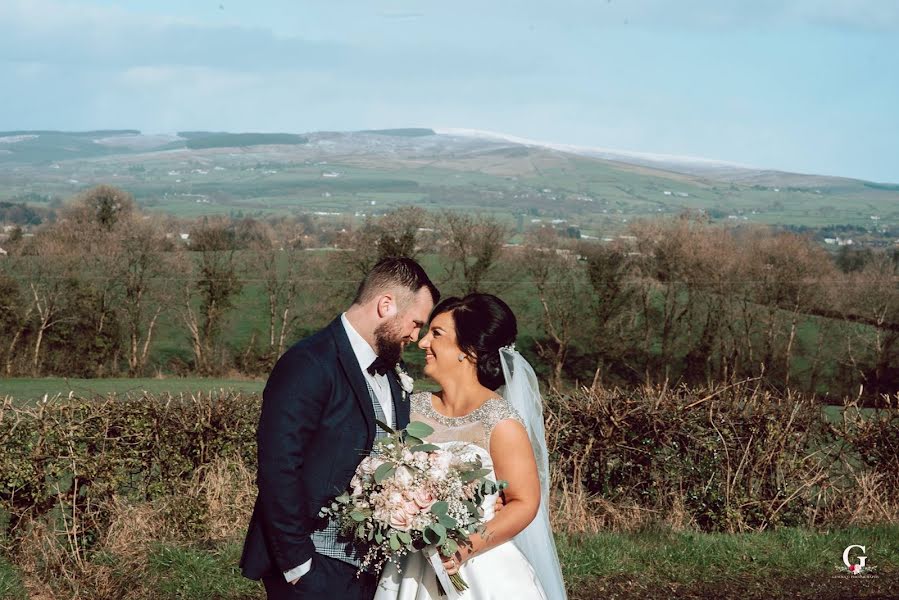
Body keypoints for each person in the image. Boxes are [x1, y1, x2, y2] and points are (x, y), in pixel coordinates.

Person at [240, 257, 439, 600]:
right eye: (415, 322)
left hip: (374, 572)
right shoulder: (308, 363)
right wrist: (298, 566)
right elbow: (278, 468)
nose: (416, 335)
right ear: (386, 304)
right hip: (313, 567)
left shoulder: (393, 372)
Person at [375, 293, 567, 600]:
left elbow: (523, 502)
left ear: (470, 350)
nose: (423, 343)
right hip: (408, 567)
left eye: (436, 334)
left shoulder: (500, 421)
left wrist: (465, 548)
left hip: (480, 569)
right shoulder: (411, 409)